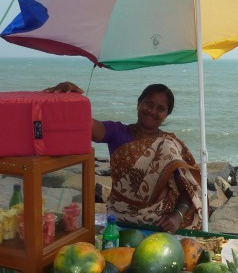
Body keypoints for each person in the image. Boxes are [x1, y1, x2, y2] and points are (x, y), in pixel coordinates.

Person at [45, 81, 204, 233]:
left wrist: (177, 217)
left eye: (160, 108)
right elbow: (87, 125)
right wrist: (70, 98)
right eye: (148, 103)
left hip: (158, 227)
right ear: (139, 104)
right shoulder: (118, 132)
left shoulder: (169, 146)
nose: (152, 110)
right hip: (119, 222)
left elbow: (188, 190)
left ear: (166, 115)